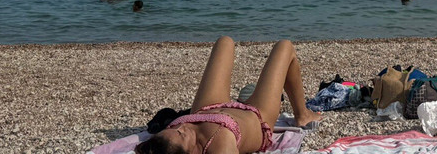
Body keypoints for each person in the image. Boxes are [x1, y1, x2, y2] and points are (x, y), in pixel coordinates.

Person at [136, 36, 321, 154]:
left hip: (208, 109)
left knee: (224, 42)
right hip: (256, 116)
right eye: (181, 134)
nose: (182, 127)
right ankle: (302, 114)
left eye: (175, 128)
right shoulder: (220, 147)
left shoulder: (170, 138)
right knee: (285, 46)